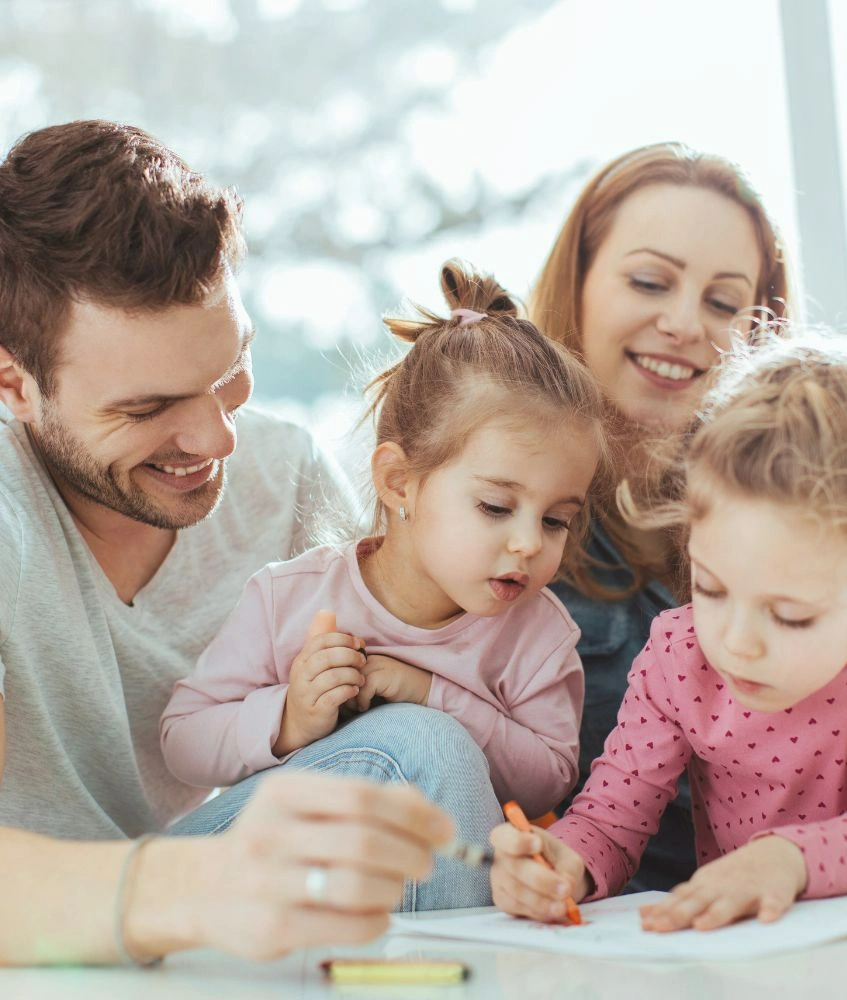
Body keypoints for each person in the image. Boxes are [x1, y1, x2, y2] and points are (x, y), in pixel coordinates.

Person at [0, 120, 496, 965]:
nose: (217, 439)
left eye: (230, 372)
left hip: (208, 902)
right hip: (45, 925)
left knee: (422, 747)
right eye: (148, 409)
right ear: (14, 384)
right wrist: (196, 889)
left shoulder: (282, 474)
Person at [489, 339, 847, 931]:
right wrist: (560, 863)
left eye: (790, 615)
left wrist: (786, 860)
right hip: (755, 955)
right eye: (711, 588)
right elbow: (609, 822)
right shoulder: (679, 654)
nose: (736, 642)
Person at [161, 260, 608, 825]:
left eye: (555, 521)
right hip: (280, 873)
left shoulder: (538, 635)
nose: (527, 543)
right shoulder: (289, 598)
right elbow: (183, 742)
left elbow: (549, 783)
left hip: (431, 880)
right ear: (400, 481)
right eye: (496, 507)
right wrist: (290, 718)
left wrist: (432, 697)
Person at [528, 141, 793, 890]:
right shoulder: (485, 509)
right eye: (650, 281)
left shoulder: (798, 519)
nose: (683, 324)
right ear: (576, 281)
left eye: (721, 302)